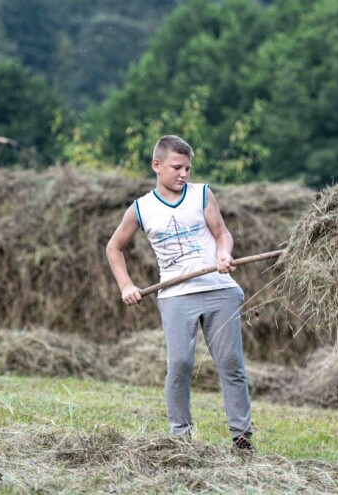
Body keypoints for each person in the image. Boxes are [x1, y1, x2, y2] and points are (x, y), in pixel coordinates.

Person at [106, 135, 254, 451]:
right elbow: (114, 248)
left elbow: (222, 234)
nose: (183, 174)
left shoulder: (202, 194)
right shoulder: (141, 209)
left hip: (219, 289)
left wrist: (223, 254)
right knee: (181, 364)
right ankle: (180, 437)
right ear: (156, 165)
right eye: (177, 167)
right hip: (175, 296)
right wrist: (126, 286)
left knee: (230, 362)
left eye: (187, 168)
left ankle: (241, 437)